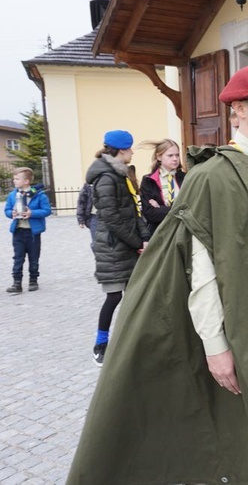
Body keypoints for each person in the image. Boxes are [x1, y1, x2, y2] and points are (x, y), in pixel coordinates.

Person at [67, 61, 248, 484]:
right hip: (246, 319)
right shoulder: (212, 177)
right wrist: (215, 345)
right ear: (238, 111)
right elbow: (203, 268)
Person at [85, 130, 150, 367]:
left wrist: (143, 238)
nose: (132, 153)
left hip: (126, 245)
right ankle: (101, 344)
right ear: (122, 150)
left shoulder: (119, 174)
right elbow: (111, 218)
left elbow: (134, 211)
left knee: (134, 294)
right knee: (114, 296)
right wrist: (136, 242)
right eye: (131, 149)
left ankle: (131, 342)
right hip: (111, 248)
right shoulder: (105, 177)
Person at [4, 167, 51, 293]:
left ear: (27, 181)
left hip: (33, 232)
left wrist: (32, 213)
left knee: (34, 257)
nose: (14, 181)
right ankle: (17, 282)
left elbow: (47, 210)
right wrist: (11, 213)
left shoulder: (39, 195)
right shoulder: (13, 195)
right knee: (18, 257)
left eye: (17, 179)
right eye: (14, 178)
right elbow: (7, 209)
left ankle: (33, 280)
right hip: (18, 231)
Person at [138, 138, 185, 235]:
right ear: (159, 157)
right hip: (160, 232)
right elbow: (150, 214)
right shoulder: (148, 180)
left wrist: (161, 208)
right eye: (170, 155)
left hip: (182, 230)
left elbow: (190, 208)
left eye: (177, 155)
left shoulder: (186, 178)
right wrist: (178, 210)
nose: (175, 159)